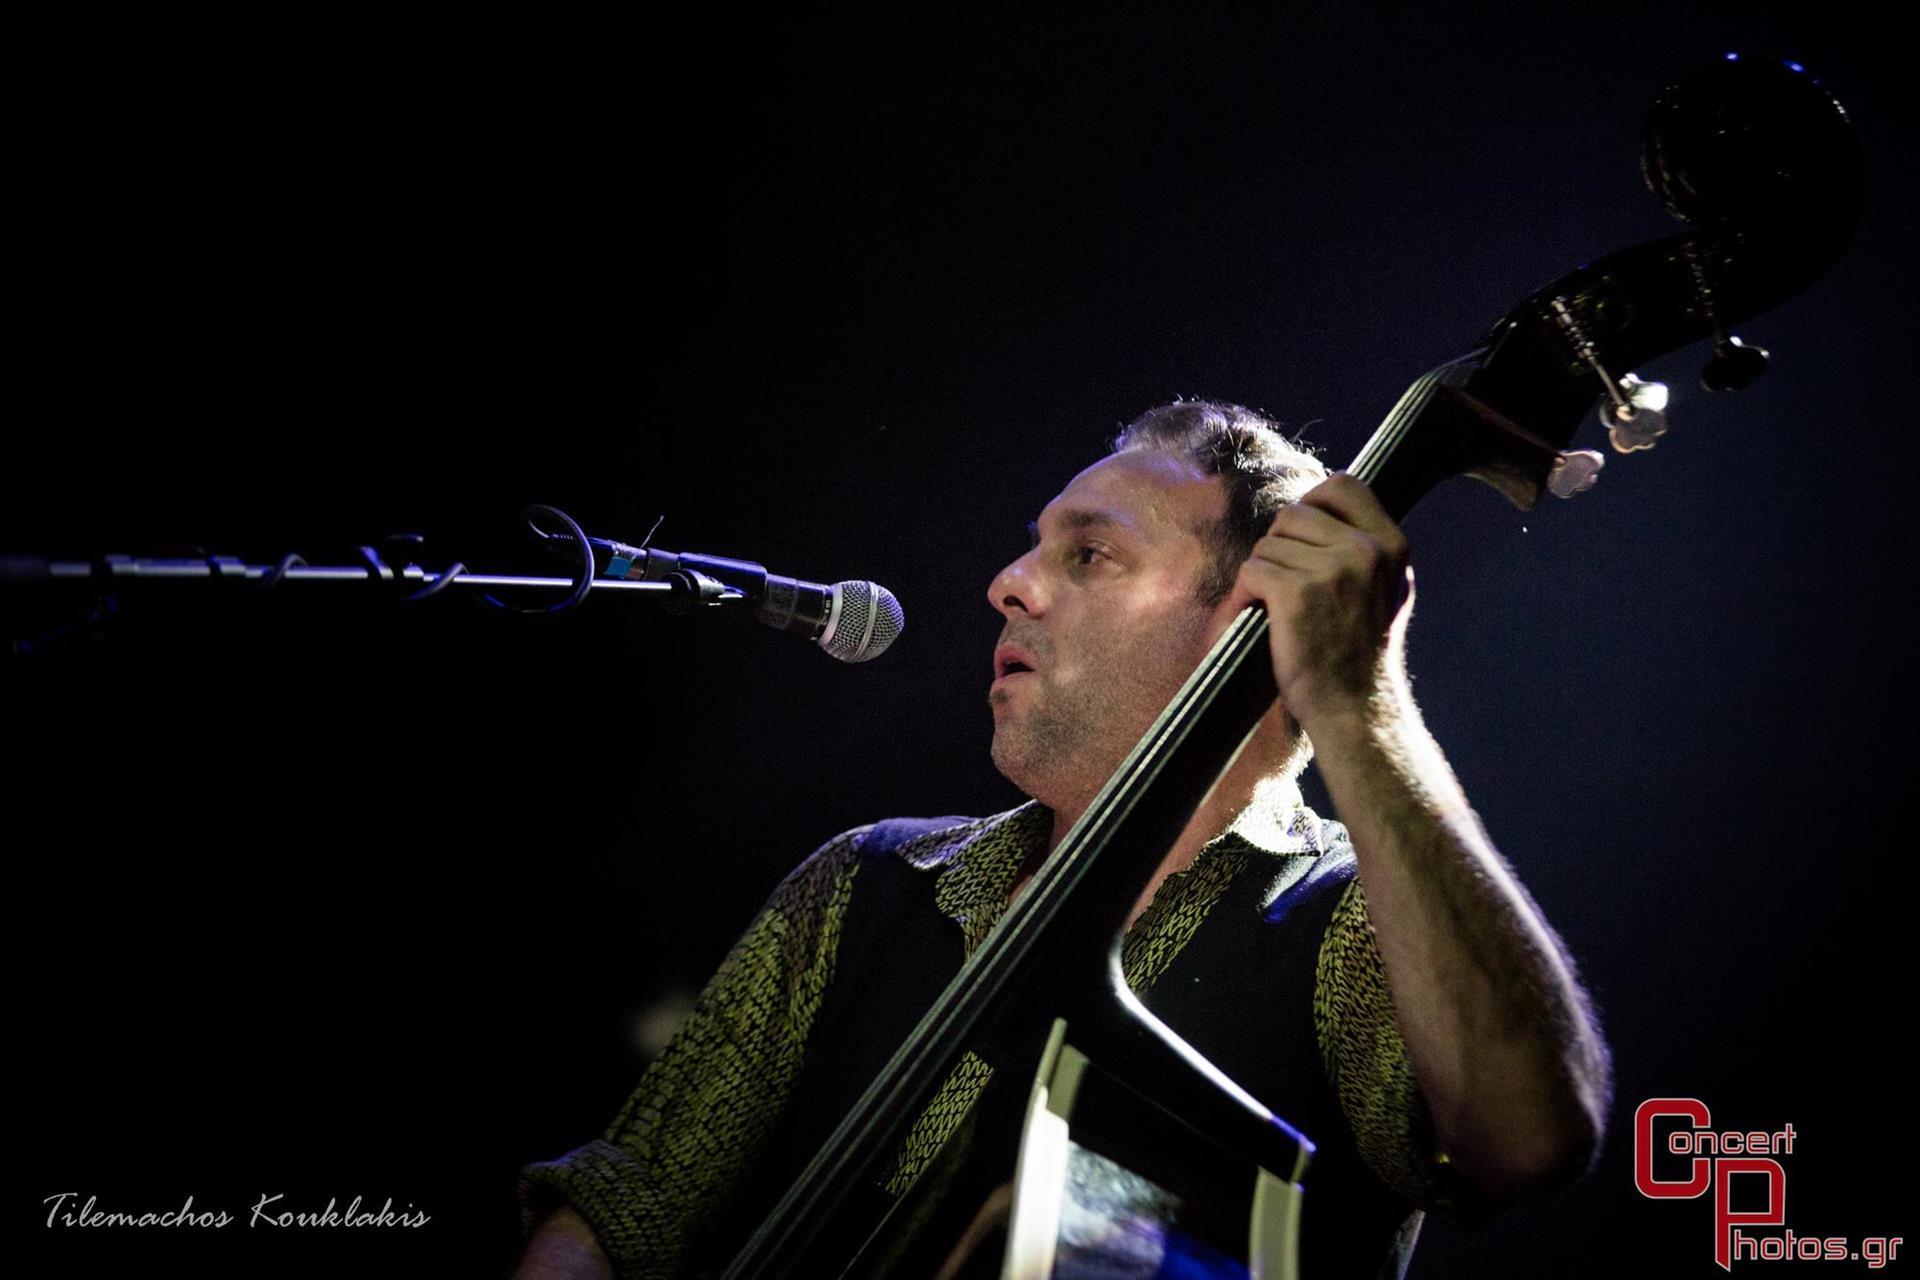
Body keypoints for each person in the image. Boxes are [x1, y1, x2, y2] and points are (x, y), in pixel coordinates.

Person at [513, 401, 1613, 1279]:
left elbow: (1526, 1136)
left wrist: (1362, 699)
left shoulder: (1354, 922)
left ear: (1255, 617)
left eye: (1088, 555)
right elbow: (628, 1207)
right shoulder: (867, 879)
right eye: (1035, 548)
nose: (1010, 584)